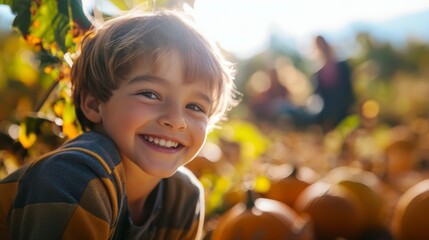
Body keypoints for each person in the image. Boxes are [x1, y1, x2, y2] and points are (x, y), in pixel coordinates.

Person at [0, 9, 239, 239]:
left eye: (195, 107)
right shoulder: (75, 176)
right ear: (94, 104)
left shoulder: (183, 198)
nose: (176, 120)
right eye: (150, 94)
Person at [311, 35, 355, 132]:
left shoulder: (343, 67)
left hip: (344, 110)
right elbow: (317, 97)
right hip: (327, 114)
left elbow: (349, 91)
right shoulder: (318, 74)